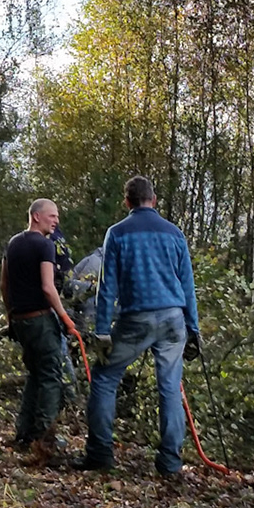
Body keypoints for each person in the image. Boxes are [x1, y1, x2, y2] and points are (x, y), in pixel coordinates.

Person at [77, 176, 201, 477]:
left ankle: (99, 454)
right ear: (154, 200)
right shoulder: (175, 233)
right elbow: (187, 285)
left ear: (127, 202)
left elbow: (107, 285)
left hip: (136, 318)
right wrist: (193, 329)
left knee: (105, 378)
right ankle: (170, 463)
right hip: (173, 317)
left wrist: (103, 330)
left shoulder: (117, 233)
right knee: (170, 389)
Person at [1, 198, 78, 466]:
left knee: (35, 375)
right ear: (35, 216)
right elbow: (48, 287)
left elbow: (4, 283)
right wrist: (66, 318)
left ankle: (24, 433)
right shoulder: (45, 245)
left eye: (57, 217)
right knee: (50, 377)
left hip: (20, 320)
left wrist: (11, 316)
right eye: (51, 216)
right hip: (41, 320)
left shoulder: (13, 243)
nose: (56, 221)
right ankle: (44, 439)